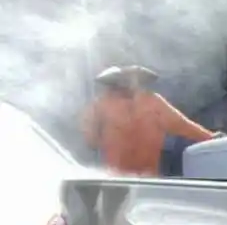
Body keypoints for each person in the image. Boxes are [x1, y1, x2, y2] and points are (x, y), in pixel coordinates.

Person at [80, 65, 217, 177]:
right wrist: (211, 137)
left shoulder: (100, 105)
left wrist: (210, 137)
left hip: (120, 182)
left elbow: (91, 140)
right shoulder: (153, 102)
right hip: (146, 181)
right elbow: (183, 125)